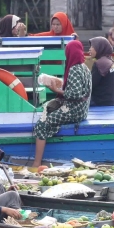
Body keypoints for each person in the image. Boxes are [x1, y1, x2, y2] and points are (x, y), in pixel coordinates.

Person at [32, 40, 91, 168]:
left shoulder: (74, 69)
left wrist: (56, 90)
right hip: (83, 109)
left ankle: (37, 162)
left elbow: (74, 94)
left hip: (73, 109)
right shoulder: (84, 67)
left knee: (42, 123)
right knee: (49, 108)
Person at [87, 37, 114, 106]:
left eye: (92, 47)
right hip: (113, 101)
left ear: (99, 48)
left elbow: (90, 85)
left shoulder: (100, 63)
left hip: (100, 101)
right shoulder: (111, 61)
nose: (89, 49)